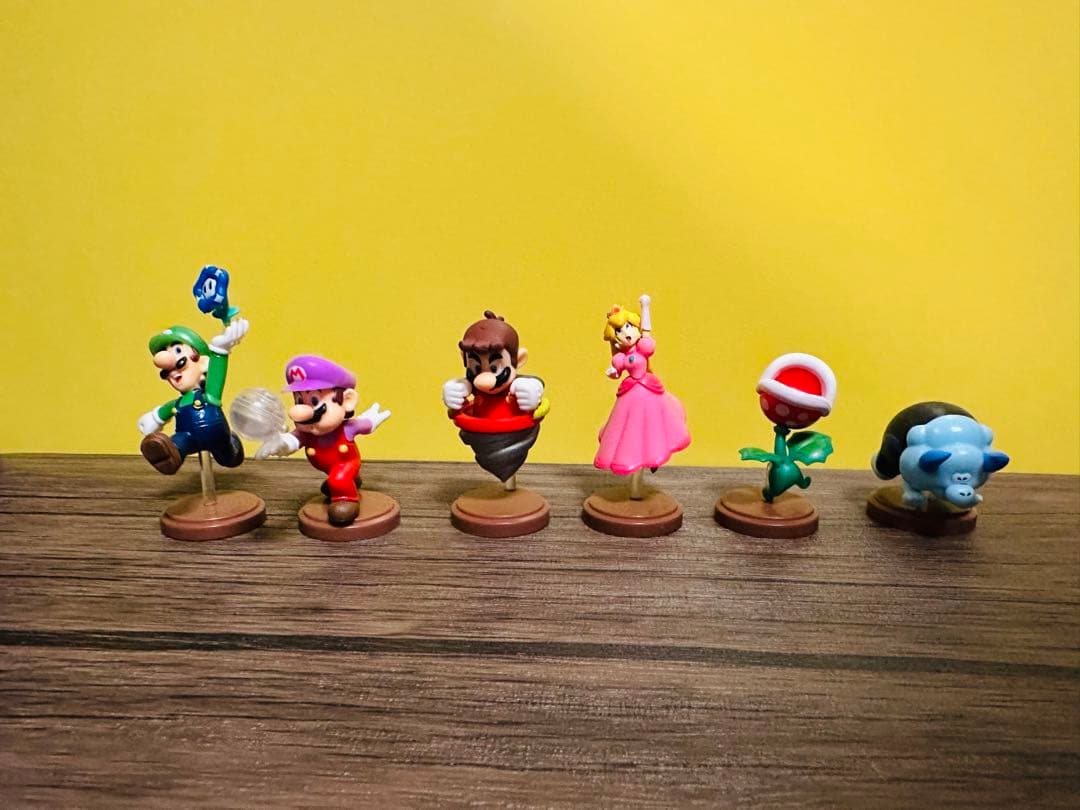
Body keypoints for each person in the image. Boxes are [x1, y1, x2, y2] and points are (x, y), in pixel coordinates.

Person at [256, 355, 390, 526]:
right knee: (338, 479)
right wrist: (280, 443)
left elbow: (364, 425)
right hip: (328, 467)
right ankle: (351, 481)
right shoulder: (306, 433)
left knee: (338, 479)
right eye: (299, 400)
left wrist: (371, 419)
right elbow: (293, 440)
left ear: (347, 401)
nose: (300, 411)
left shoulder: (346, 428)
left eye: (314, 400)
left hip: (347, 463)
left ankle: (345, 498)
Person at [441, 311, 547, 486]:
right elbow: (460, 398)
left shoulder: (516, 387)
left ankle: (509, 482)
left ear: (519, 360)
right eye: (476, 367)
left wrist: (531, 388)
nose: (484, 380)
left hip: (514, 434)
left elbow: (535, 387)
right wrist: (455, 389)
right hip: (481, 434)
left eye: (494, 368)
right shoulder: (473, 387)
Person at [594, 295, 690, 479]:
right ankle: (632, 460)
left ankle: (652, 457)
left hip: (648, 393)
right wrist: (612, 372)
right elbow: (616, 371)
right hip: (630, 396)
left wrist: (645, 307)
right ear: (615, 338)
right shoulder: (620, 357)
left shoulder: (643, 347)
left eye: (628, 327)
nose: (626, 333)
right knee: (630, 430)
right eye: (620, 331)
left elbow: (647, 332)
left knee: (653, 427)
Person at [137, 319, 249, 475]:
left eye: (178, 353)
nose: (172, 372)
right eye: (167, 372)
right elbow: (167, 409)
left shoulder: (209, 395)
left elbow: (216, 376)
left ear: (203, 363)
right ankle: (168, 456)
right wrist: (155, 418)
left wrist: (220, 351)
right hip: (187, 436)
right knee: (177, 444)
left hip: (217, 435)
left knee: (226, 456)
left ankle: (232, 449)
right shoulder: (178, 403)